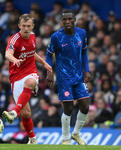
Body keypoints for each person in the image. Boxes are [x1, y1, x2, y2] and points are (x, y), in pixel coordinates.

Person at [2, 14, 52, 144]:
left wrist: (44, 63)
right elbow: (7, 54)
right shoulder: (14, 40)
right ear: (19, 26)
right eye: (23, 26)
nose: (26, 28)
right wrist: (15, 60)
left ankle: (14, 112)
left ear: (32, 26)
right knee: (26, 113)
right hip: (16, 76)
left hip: (30, 71)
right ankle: (32, 138)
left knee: (30, 82)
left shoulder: (33, 36)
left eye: (28, 26)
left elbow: (32, 53)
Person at [45, 9, 91, 145]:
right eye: (64, 19)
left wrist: (87, 70)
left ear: (74, 19)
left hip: (78, 77)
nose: (67, 21)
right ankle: (65, 139)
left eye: (69, 19)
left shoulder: (82, 33)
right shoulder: (56, 37)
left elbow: (84, 53)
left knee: (85, 106)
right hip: (63, 78)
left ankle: (76, 134)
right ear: (62, 21)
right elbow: (48, 55)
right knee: (69, 108)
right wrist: (49, 72)